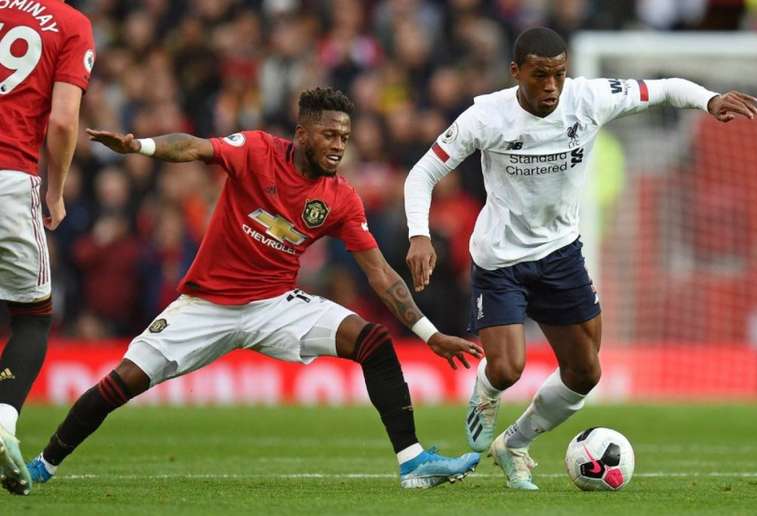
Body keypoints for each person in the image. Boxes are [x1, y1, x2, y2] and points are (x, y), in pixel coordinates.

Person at [27, 87, 483, 489]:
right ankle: (43, 465)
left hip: (275, 304)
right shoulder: (257, 150)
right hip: (207, 305)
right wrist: (141, 146)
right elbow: (192, 148)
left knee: (373, 341)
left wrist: (429, 334)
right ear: (302, 134)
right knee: (121, 382)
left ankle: (412, 462)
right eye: (329, 135)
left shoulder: (341, 197)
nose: (338, 146)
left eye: (344, 137)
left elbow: (381, 274)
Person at [404, 27, 757, 490]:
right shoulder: (486, 117)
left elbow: (666, 89)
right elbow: (423, 172)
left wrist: (709, 100)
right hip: (500, 261)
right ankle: (486, 395)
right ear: (516, 73)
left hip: (560, 256)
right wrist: (419, 234)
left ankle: (514, 444)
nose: (551, 86)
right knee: (508, 367)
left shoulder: (590, 98)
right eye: (539, 76)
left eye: (558, 75)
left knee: (586, 371)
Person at [0, 0, 94, 495]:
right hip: (9, 177)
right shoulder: (71, 23)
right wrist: (54, 191)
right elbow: (61, 122)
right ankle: (1, 421)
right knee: (33, 317)